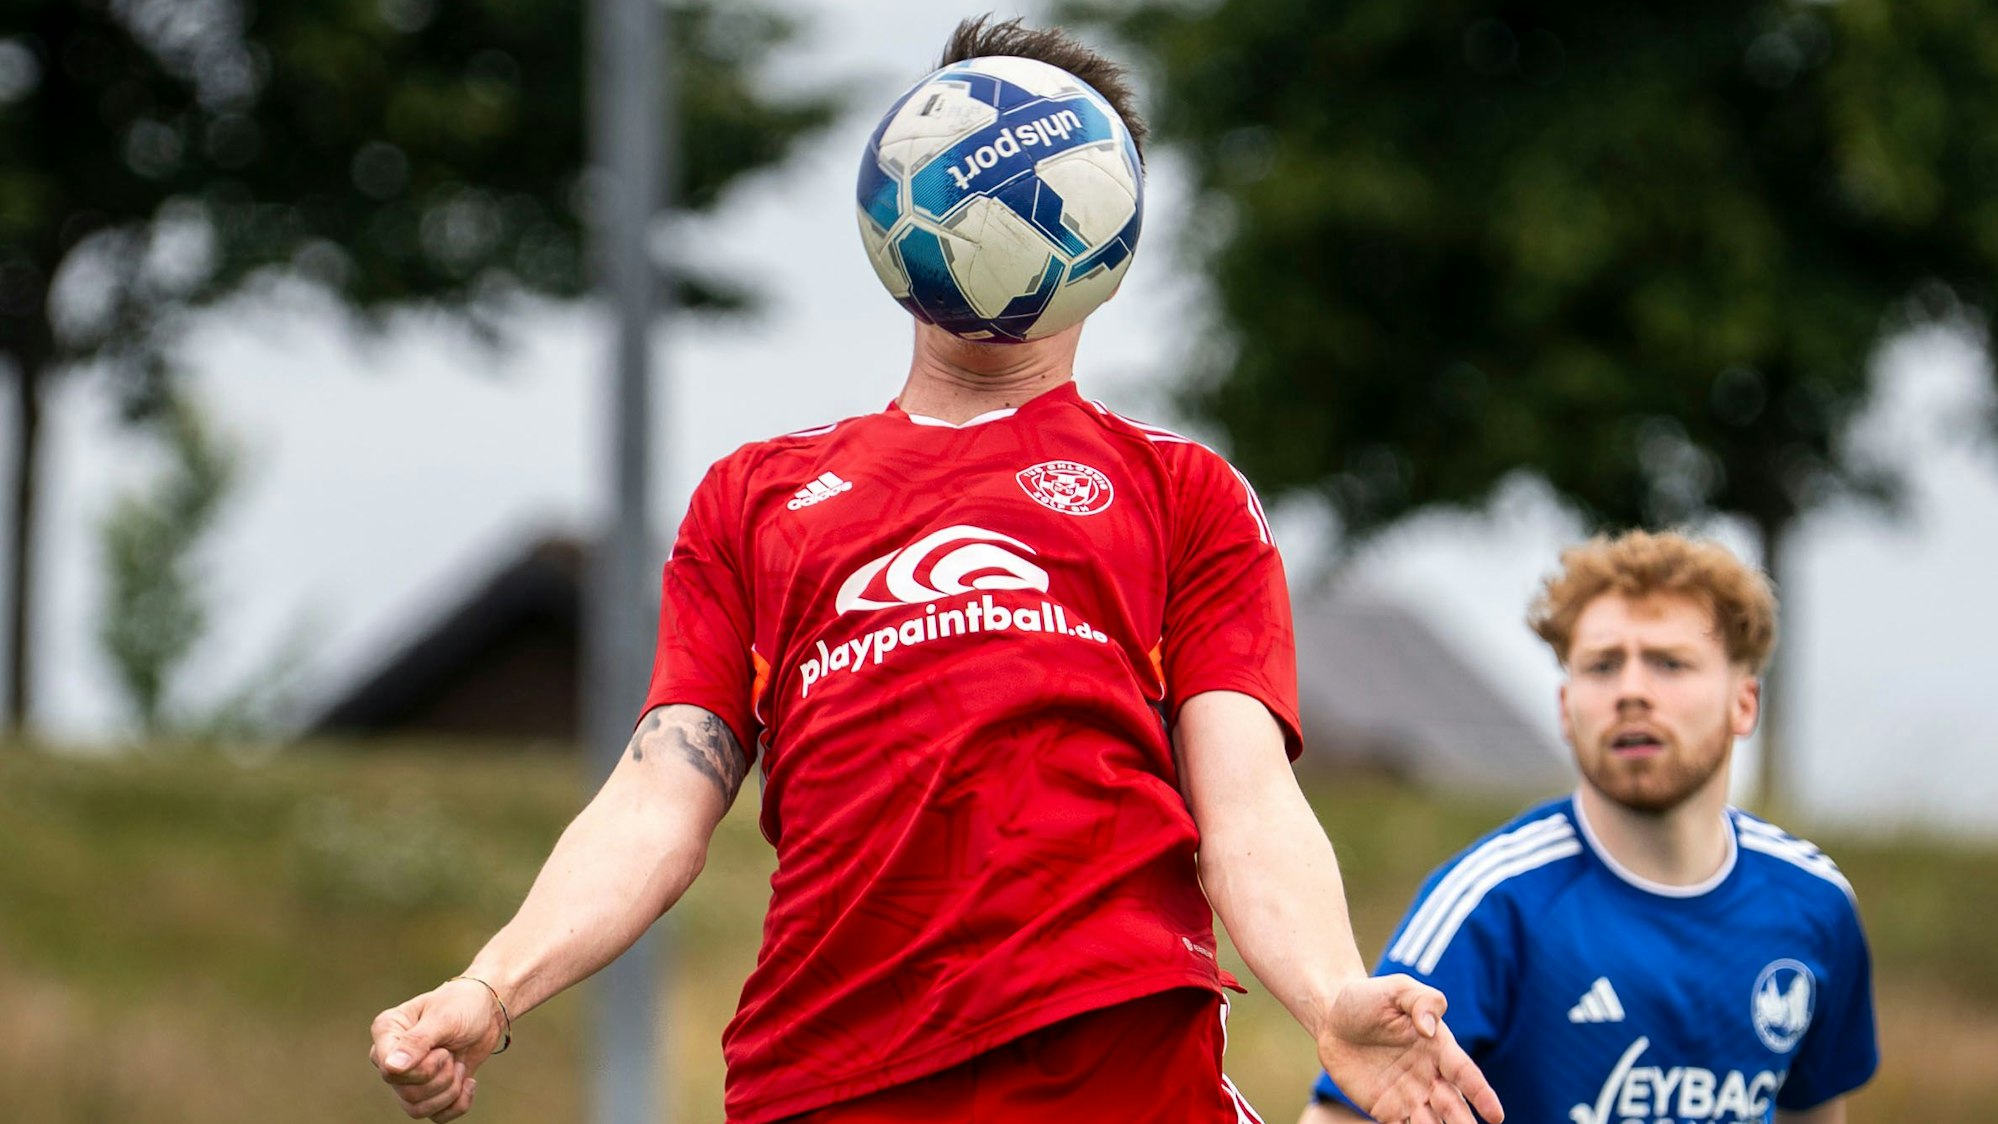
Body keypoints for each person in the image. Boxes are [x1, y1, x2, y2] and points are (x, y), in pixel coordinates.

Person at [368, 17, 1501, 1124]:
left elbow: (1248, 801)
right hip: (828, 1075)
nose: (982, 195)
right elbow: (660, 793)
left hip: (1114, 1071)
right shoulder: (754, 499)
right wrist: (492, 982)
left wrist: (1328, 994)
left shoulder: (1182, 493)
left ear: (1103, 225)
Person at [1301, 530, 1878, 1124]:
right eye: (1603, 666)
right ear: (1566, 709)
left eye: (1668, 663)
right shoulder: (1490, 905)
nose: (1631, 691)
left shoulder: (1814, 904)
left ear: (1744, 703)